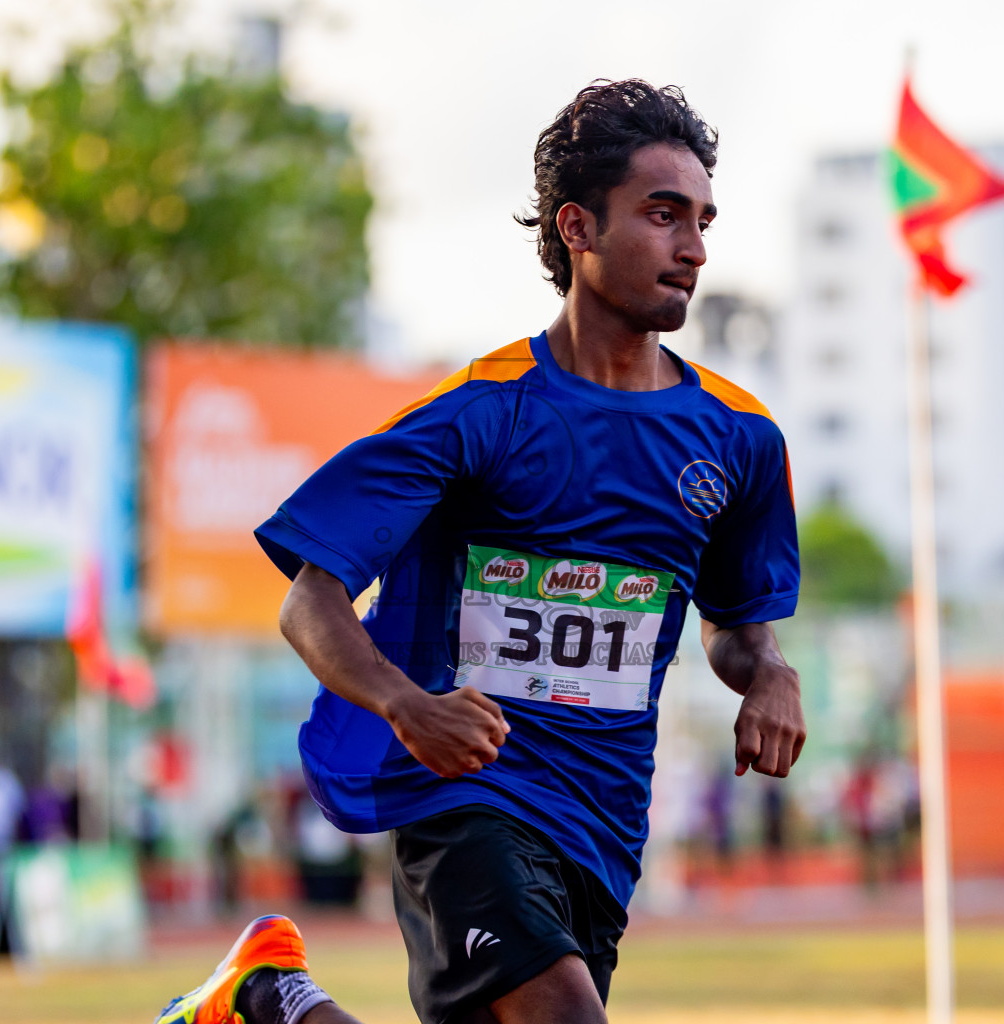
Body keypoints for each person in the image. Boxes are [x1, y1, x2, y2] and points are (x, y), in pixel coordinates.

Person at [157, 79, 806, 1024]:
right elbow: (311, 600)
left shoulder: (740, 439)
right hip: (464, 794)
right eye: (663, 216)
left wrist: (772, 675)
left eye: (703, 220)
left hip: (605, 826)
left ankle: (268, 1001)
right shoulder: (480, 414)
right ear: (577, 228)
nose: (694, 248)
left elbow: (736, 629)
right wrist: (407, 706)